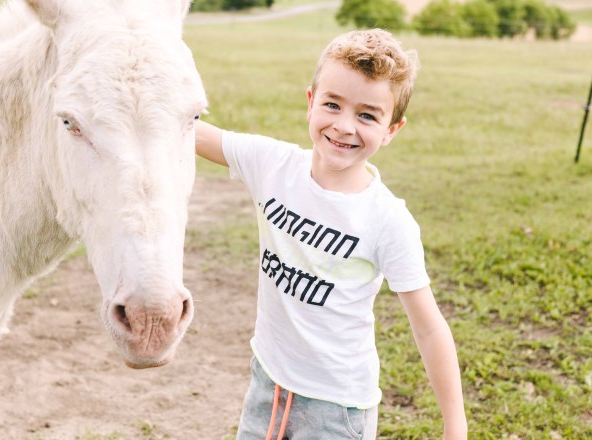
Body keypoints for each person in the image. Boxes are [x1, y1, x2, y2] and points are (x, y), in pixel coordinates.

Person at [195, 29, 467, 440]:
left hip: (336, 410)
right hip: (267, 384)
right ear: (310, 102)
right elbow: (186, 130)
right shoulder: (273, 165)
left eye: (367, 115)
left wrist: (455, 425)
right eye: (332, 104)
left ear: (392, 129)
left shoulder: (387, 220)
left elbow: (429, 328)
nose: (343, 126)